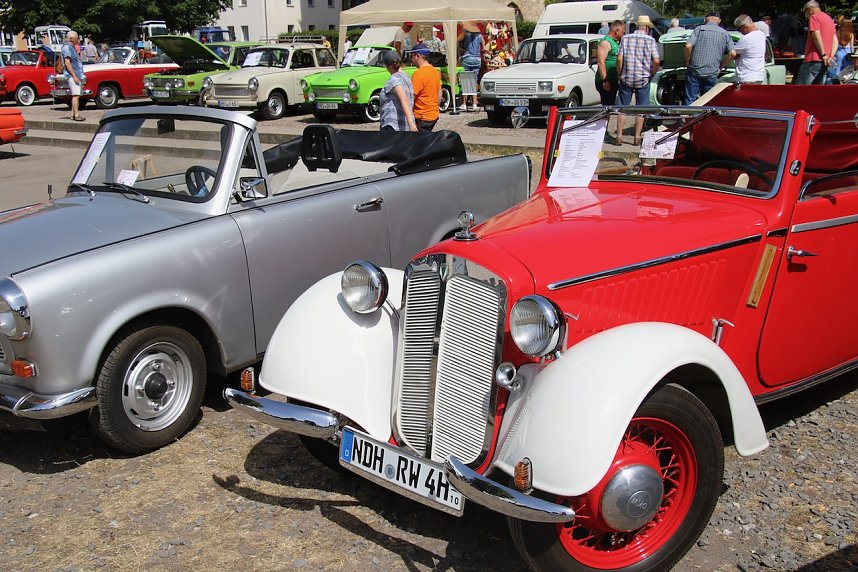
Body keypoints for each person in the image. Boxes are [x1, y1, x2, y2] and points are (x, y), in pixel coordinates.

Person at [615, 15, 659, 145]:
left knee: (622, 108)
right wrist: (652, 73)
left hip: (626, 77)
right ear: (646, 28)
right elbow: (656, 60)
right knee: (641, 110)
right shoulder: (650, 40)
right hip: (643, 78)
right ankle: (637, 137)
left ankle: (618, 136)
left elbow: (619, 59)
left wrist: (619, 73)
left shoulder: (625, 38)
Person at [684, 12, 734, 103]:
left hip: (695, 69)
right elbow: (733, 54)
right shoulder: (725, 33)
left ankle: (689, 115)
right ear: (719, 21)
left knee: (690, 99)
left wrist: (687, 61)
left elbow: (688, 46)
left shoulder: (699, 29)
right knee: (708, 100)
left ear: (705, 20)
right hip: (712, 71)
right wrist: (721, 66)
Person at [796, 0, 836, 84]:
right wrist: (830, 56)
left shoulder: (814, 17)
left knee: (800, 89)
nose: (806, 15)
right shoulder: (829, 19)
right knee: (818, 91)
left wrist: (823, 54)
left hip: (813, 59)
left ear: (809, 9)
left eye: (805, 12)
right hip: (825, 61)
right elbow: (835, 40)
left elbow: (816, 35)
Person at [379, 51, 416, 132]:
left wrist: (412, 125)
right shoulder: (407, 78)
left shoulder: (394, 79)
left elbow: (404, 99)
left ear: (388, 66)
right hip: (403, 125)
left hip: (392, 125)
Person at [410, 43, 442, 132]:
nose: (411, 60)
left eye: (411, 56)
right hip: (433, 115)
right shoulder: (434, 71)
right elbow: (439, 93)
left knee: (419, 143)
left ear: (417, 56)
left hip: (421, 116)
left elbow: (411, 97)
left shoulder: (418, 74)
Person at [727, 14, 767, 84]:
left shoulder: (746, 38)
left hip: (746, 77)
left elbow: (733, 54)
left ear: (744, 27)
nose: (740, 32)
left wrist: (721, 66)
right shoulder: (761, 35)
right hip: (758, 76)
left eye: (739, 29)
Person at [595, 20, 625, 105]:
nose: (623, 34)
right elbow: (601, 62)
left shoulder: (614, 42)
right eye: (623, 32)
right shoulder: (605, 42)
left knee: (612, 105)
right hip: (606, 80)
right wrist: (605, 80)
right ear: (617, 31)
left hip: (613, 79)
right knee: (607, 107)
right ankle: (605, 119)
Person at [458, 21, 483, 111]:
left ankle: (464, 103)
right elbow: (485, 47)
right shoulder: (480, 36)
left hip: (467, 58)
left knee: (465, 80)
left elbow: (456, 40)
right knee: (474, 81)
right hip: (477, 59)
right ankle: (474, 104)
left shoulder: (465, 34)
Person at [62, 31, 85, 121]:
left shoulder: (72, 47)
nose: (77, 39)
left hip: (77, 74)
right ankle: (76, 114)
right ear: (71, 38)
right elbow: (67, 63)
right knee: (76, 95)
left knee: (77, 95)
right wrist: (74, 76)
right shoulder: (67, 48)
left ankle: (73, 114)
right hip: (72, 75)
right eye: (76, 38)